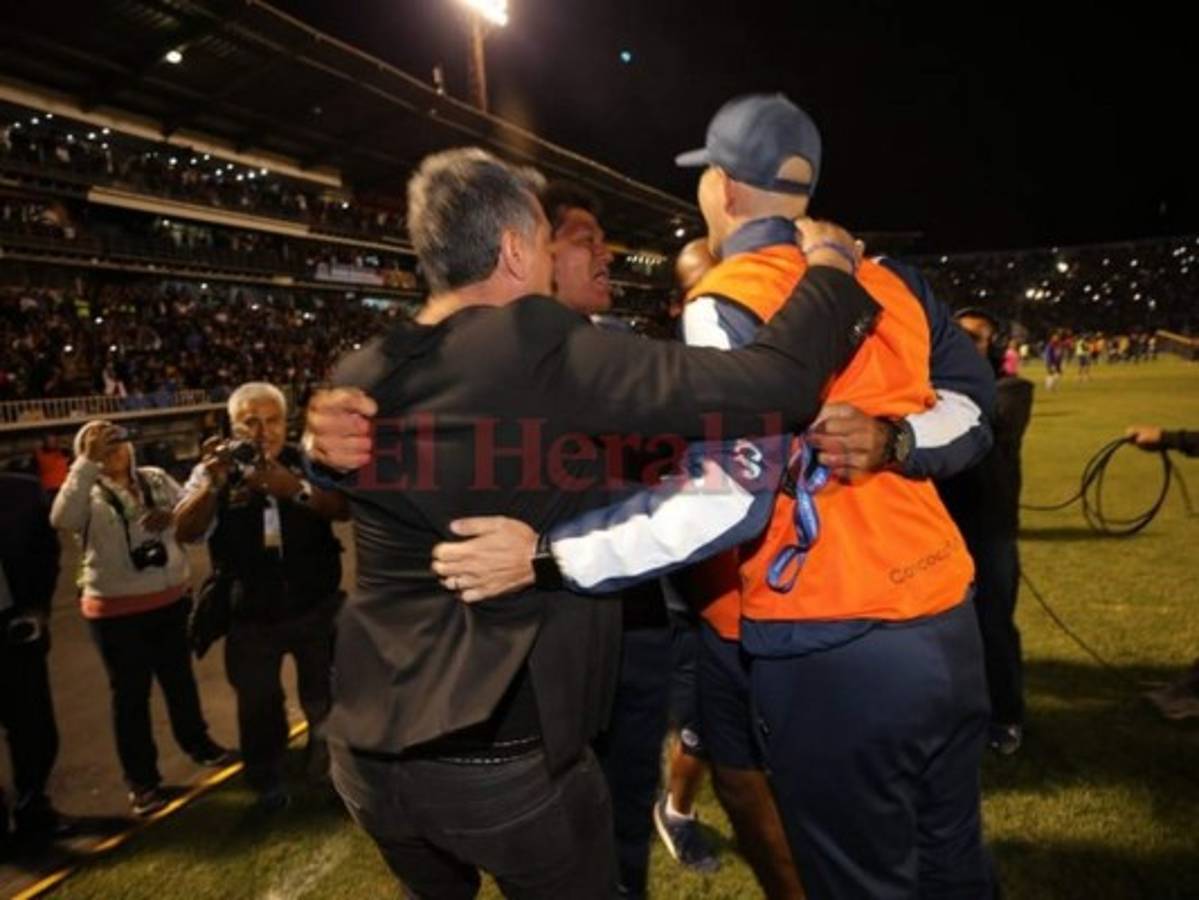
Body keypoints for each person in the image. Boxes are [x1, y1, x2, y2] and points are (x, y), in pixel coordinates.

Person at [431, 95, 997, 899]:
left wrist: (549, 558)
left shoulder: (727, 294)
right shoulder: (890, 276)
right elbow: (974, 410)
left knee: (862, 878)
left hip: (832, 635)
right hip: (945, 615)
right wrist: (895, 440)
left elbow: (727, 500)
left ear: (724, 188)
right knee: (953, 859)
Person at [301, 146, 879, 899]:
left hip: (367, 757)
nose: (550, 262)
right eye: (546, 243)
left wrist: (317, 455)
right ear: (513, 250)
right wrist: (830, 268)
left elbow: (352, 487)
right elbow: (776, 384)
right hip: (498, 755)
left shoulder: (363, 368)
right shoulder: (525, 338)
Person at [175, 382, 348, 810]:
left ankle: (326, 758)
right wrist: (213, 486)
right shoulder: (213, 470)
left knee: (323, 693)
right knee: (258, 704)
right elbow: (185, 530)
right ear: (232, 426)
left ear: (285, 423)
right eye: (250, 421)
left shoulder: (308, 459)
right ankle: (265, 775)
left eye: (271, 420)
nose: (261, 430)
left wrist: (296, 489)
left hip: (314, 603)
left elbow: (343, 508)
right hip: (250, 614)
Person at [49, 420, 234, 817]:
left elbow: (192, 514)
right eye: (103, 446)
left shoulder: (153, 478)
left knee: (180, 681)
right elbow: (62, 519)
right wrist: (85, 463)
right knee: (131, 697)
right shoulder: (87, 492)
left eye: (119, 442)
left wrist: (173, 516)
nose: (116, 450)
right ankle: (143, 781)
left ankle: (198, 744)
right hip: (117, 611)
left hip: (168, 600)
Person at [937, 308, 1035, 754]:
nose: (963, 343)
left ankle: (1006, 715)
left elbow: (983, 419)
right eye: (957, 337)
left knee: (993, 627)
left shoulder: (1012, 391)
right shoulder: (937, 392)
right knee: (944, 629)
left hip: (990, 532)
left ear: (994, 349)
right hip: (942, 531)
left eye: (974, 338)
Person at [0, 473, 68, 848]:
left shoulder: (21, 492)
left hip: (14, 626)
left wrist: (38, 607)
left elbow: (47, 552)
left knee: (35, 729)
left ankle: (34, 806)